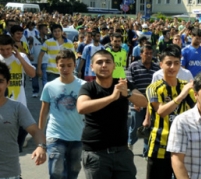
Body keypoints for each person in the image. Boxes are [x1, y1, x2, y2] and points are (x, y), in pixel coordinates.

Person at [77, 49, 147, 179]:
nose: (104, 65)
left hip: (122, 151)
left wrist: (128, 94)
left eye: (108, 62)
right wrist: (112, 97)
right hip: (96, 153)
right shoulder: (88, 87)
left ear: (114, 66)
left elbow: (144, 102)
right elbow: (81, 107)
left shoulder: (122, 84)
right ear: (92, 67)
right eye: (99, 62)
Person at [144, 45, 196, 179]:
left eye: (176, 63)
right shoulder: (154, 87)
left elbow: (197, 110)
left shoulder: (187, 86)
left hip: (183, 146)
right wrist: (181, 96)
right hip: (159, 146)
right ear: (161, 64)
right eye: (168, 63)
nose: (172, 67)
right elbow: (161, 111)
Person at [38, 49, 86, 179]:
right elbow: (44, 112)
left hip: (78, 136)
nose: (65, 69)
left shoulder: (84, 86)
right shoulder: (49, 86)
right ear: (56, 66)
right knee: (55, 172)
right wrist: (40, 138)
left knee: (73, 171)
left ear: (74, 65)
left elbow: (90, 110)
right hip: (55, 135)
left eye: (69, 65)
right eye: (62, 65)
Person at [0, 60, 47, 178]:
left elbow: (35, 131)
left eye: (0, 81)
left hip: (10, 174)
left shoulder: (17, 108)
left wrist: (41, 146)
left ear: (8, 83)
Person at [126, 44, 160, 156]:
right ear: (141, 54)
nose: (149, 56)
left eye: (151, 53)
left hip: (152, 103)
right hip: (137, 104)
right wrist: (136, 101)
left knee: (148, 127)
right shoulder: (133, 66)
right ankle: (130, 143)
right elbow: (130, 84)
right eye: (146, 53)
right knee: (135, 127)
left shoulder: (156, 68)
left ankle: (146, 152)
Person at [30, 23, 49, 98]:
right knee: (34, 77)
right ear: (40, 30)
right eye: (45, 29)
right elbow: (30, 48)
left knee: (45, 78)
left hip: (45, 61)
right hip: (34, 61)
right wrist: (30, 54)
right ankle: (35, 91)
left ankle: (45, 92)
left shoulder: (48, 39)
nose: (47, 30)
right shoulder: (33, 38)